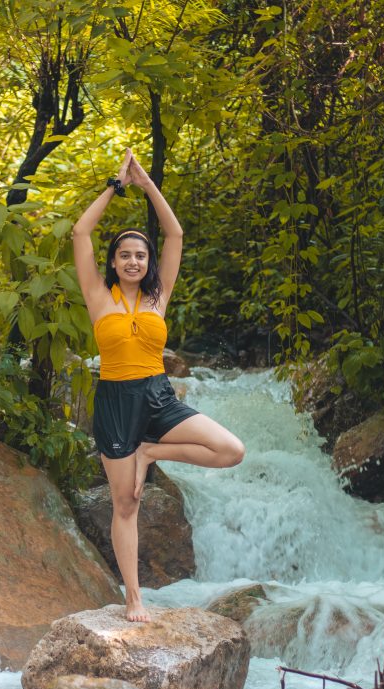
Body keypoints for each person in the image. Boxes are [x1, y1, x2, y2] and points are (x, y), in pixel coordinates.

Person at [72, 149, 245, 622]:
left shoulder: (158, 295)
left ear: (149, 263)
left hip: (157, 394)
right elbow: (80, 232)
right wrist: (115, 185)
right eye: (125, 255)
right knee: (125, 503)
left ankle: (149, 452)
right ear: (113, 262)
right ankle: (134, 599)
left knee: (231, 449)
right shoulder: (96, 296)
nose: (133, 261)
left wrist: (147, 185)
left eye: (140, 255)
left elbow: (176, 233)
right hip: (114, 401)